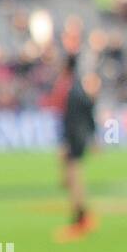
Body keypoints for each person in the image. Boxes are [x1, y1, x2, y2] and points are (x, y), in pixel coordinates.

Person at [53, 53, 99, 241]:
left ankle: (80, 220)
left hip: (74, 139)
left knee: (74, 179)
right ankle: (81, 217)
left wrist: (66, 142)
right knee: (71, 179)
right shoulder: (76, 86)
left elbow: (71, 118)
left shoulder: (69, 87)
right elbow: (88, 109)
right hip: (77, 138)